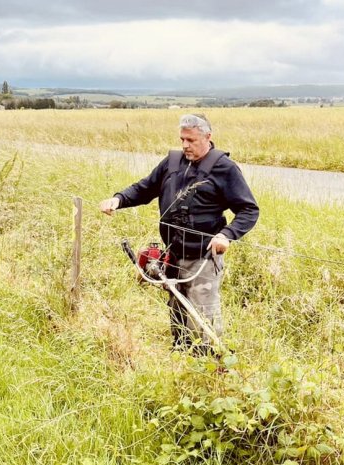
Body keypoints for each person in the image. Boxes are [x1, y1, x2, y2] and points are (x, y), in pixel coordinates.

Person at [99, 114, 259, 354]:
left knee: (203, 317)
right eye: (182, 139)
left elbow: (249, 209)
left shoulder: (224, 168)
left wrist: (227, 235)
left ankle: (210, 366)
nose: (185, 145)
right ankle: (181, 359)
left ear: (208, 137)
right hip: (173, 254)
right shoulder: (172, 163)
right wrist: (118, 199)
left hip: (203, 257)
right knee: (177, 311)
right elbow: (145, 188)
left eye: (191, 140)